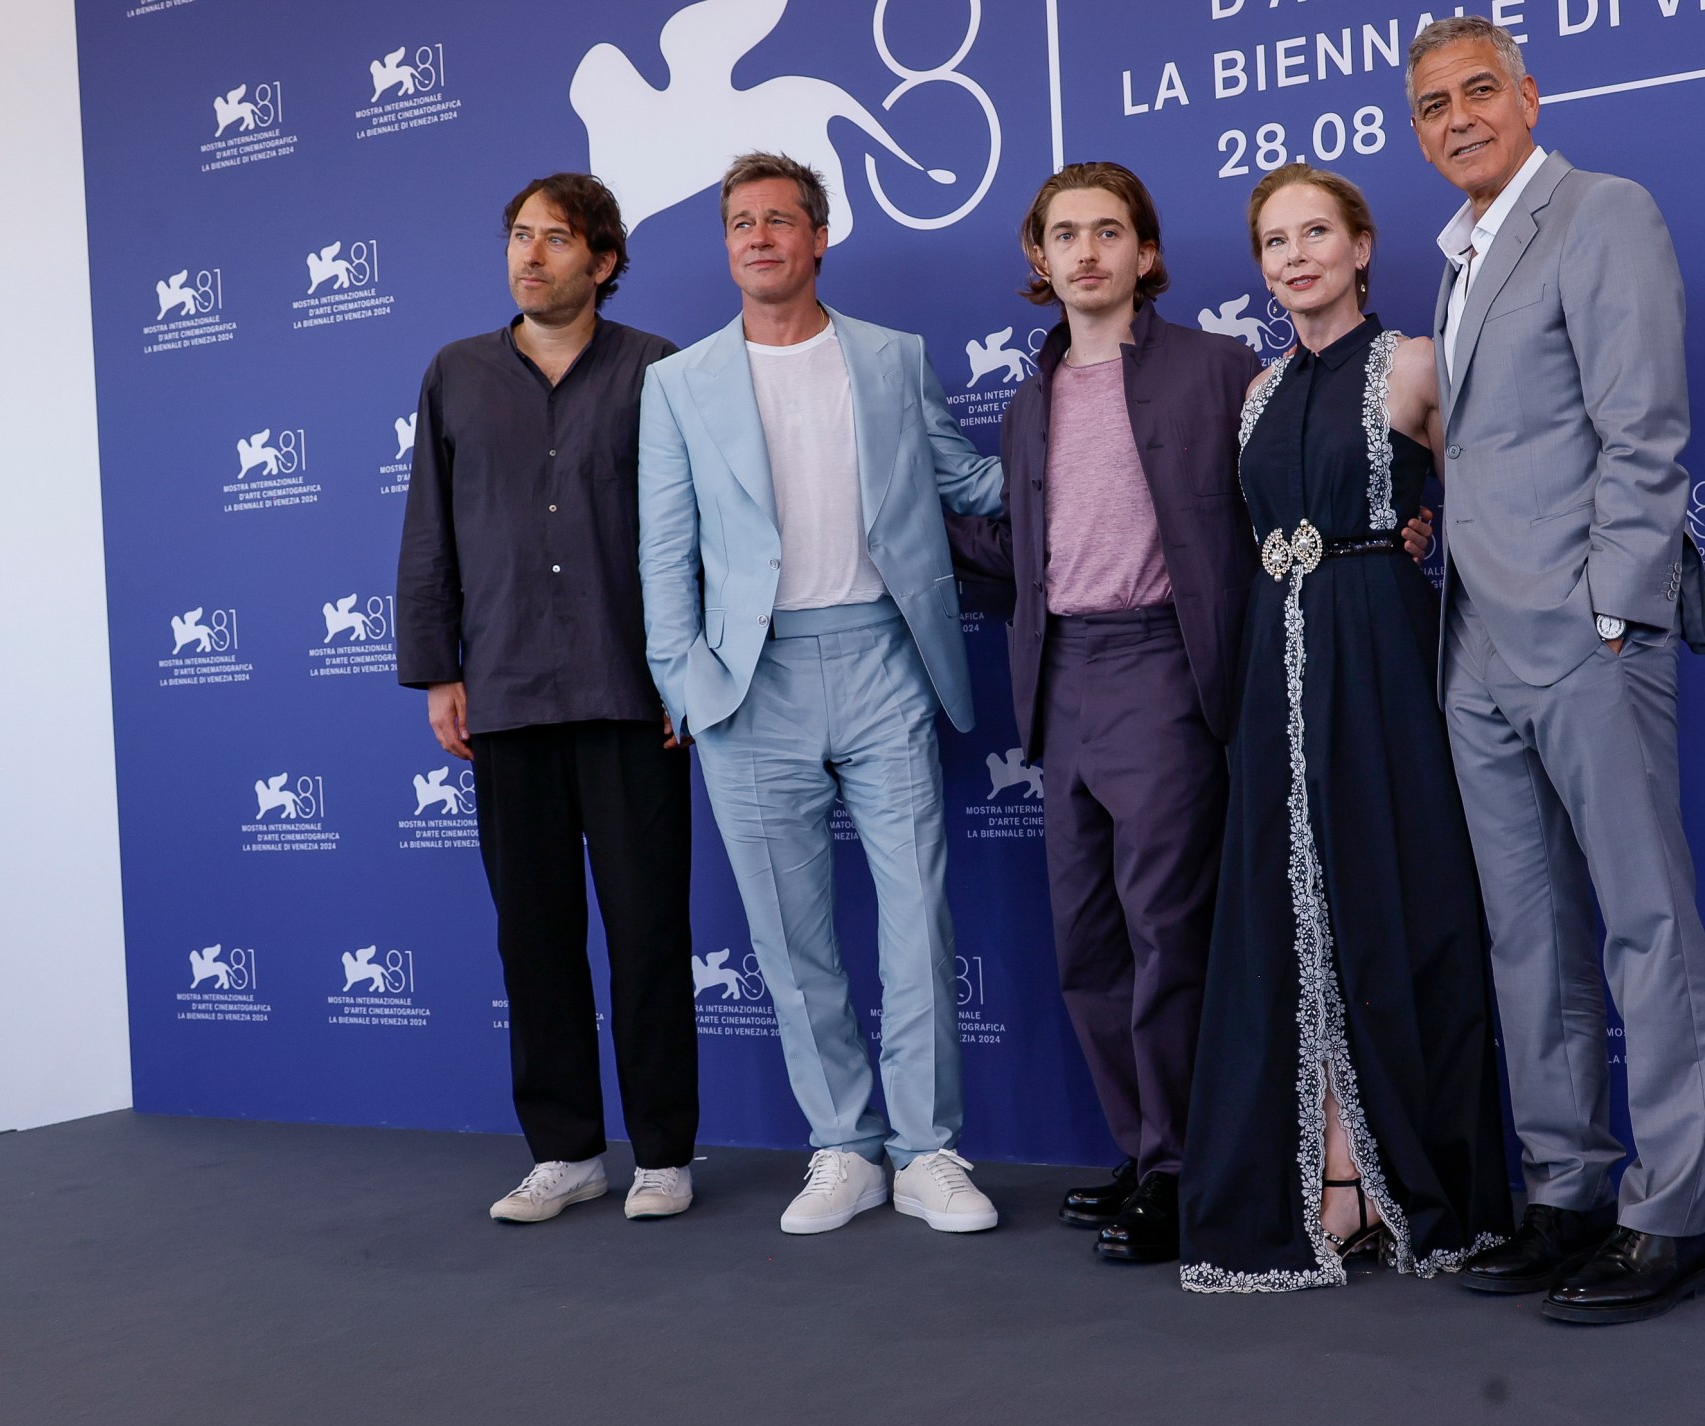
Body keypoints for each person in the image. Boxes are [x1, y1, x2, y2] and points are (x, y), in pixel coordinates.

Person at [1404, 17, 1705, 1324]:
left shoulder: (1602, 213)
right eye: (1431, 105)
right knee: (1527, 932)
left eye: (1479, 91)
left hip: (1587, 632)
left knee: (1645, 920)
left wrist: (1614, 608)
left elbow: (1642, 427)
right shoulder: (1460, 253)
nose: (1457, 117)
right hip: (1474, 634)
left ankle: (1671, 1218)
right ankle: (1566, 1194)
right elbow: (1492, 441)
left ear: (1531, 98)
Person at [636, 152, 1005, 1237]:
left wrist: (1095, 441)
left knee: (916, 919)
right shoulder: (679, 382)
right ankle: (842, 1146)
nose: (759, 238)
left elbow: (968, 482)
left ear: (817, 236)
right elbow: (665, 553)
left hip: (886, 657)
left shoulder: (892, 357)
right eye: (740, 223)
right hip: (751, 686)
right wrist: (687, 688)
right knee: (791, 939)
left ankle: (928, 1148)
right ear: (727, 244)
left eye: (780, 221)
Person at [1177, 164, 1513, 1294]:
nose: (1295, 256)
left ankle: (1397, 1175)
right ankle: (1324, 1161)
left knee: (1391, 892)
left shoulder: (1416, 363)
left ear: (1362, 247)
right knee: (1284, 907)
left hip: (1380, 651)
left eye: (1316, 232)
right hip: (1275, 663)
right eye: (1275, 241)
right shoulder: (1257, 392)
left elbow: (1484, 507)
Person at [942, 163, 1260, 1265]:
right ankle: (1143, 1149)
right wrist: (890, 520)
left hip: (1164, 666)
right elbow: (1021, 557)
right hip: (1056, 677)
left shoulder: (1219, 371)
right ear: (1039, 259)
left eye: (1109, 232)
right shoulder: (1028, 402)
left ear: (1146, 254)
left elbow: (1286, 494)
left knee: (1168, 930)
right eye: (1064, 234)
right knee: (1087, 943)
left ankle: (1184, 1171)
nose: (1086, 252)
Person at [395, 174, 699, 1225]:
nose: (530, 257)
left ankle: (664, 1153)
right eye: (519, 237)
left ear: (603, 261)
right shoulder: (455, 374)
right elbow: (429, 529)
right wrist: (440, 668)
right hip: (509, 695)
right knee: (533, 934)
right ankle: (565, 1151)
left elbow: (697, 534)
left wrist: (688, 672)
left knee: (650, 932)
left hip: (633, 694)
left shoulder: (661, 371)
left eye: (555, 240)